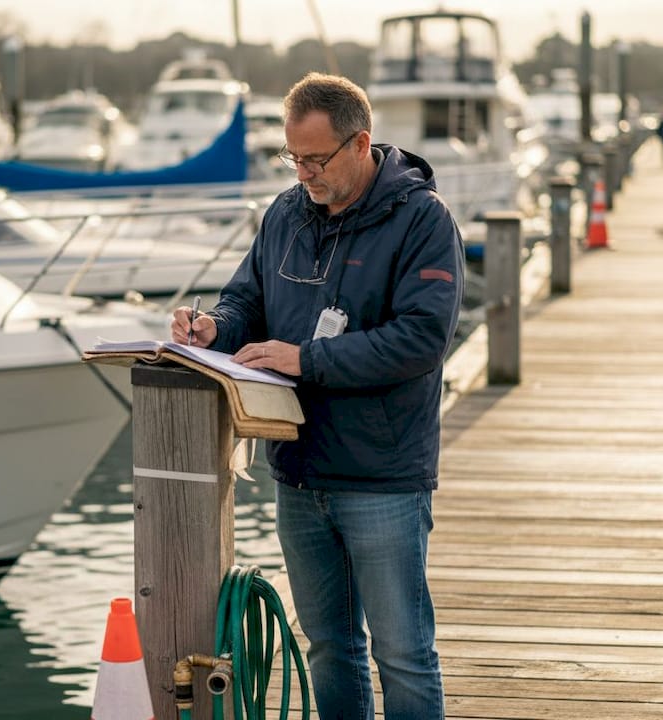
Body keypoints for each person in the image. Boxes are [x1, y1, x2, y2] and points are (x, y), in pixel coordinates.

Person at [170, 72, 461, 719]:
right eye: (293, 157)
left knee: (404, 652)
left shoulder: (423, 221)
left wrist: (309, 358)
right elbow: (249, 299)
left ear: (361, 144)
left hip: (383, 478)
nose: (303, 172)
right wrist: (216, 326)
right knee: (329, 649)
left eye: (315, 159)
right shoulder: (285, 213)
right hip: (300, 475)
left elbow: (420, 340)